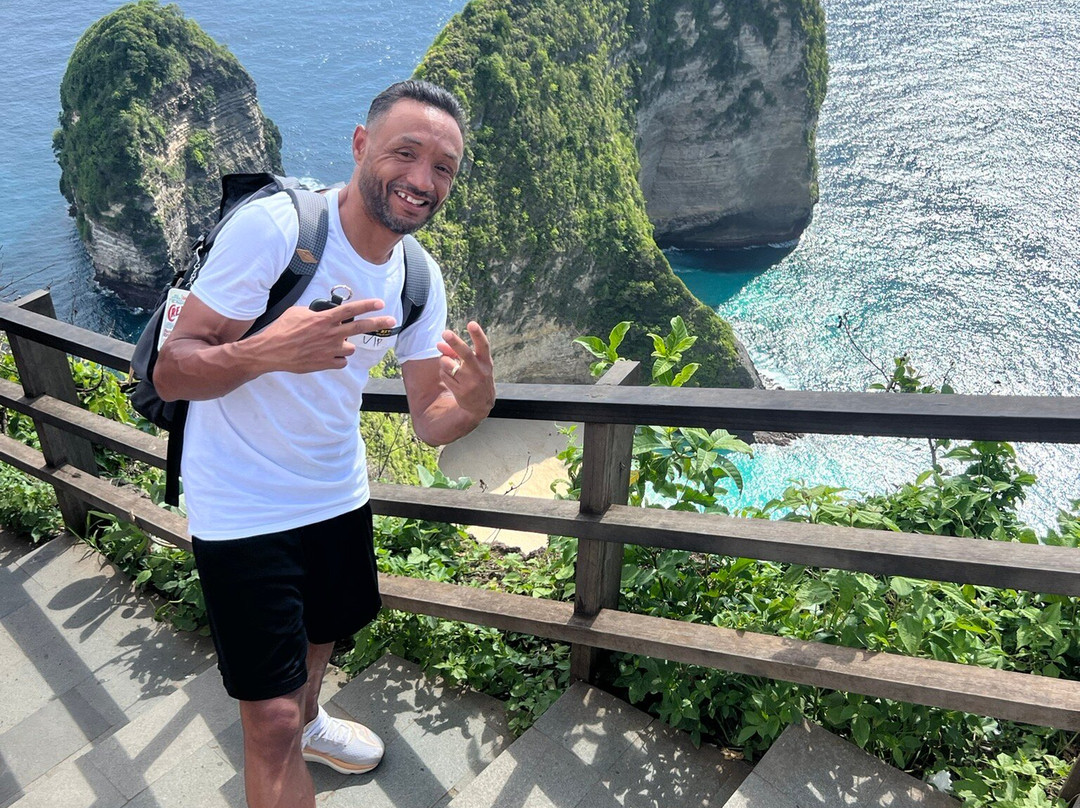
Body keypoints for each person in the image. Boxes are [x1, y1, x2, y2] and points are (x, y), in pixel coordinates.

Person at [154, 80, 494, 808]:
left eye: (442, 167)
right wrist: (267, 351)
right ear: (361, 145)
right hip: (240, 503)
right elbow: (171, 369)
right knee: (268, 722)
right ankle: (294, 728)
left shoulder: (416, 275)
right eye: (405, 152)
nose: (422, 179)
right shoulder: (278, 230)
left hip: (336, 492)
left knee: (320, 642)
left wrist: (473, 406)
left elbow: (430, 418)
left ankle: (312, 723)